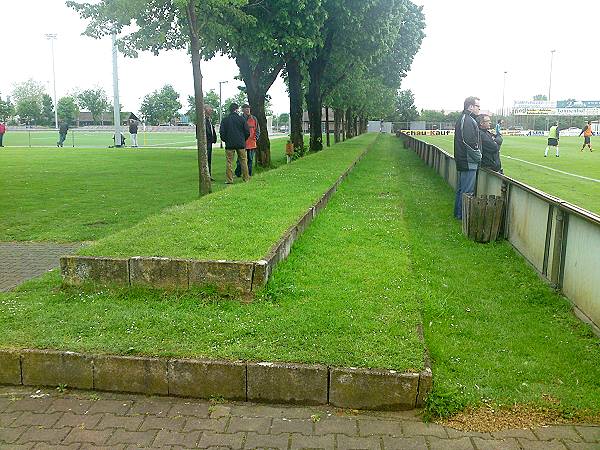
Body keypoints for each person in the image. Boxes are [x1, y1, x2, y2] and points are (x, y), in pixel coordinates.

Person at [453, 96, 482, 220]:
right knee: (467, 191)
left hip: (464, 160)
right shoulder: (468, 120)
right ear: (470, 106)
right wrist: (479, 156)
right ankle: (462, 216)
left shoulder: (464, 118)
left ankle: (458, 214)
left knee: (461, 189)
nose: (479, 109)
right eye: (477, 106)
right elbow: (469, 142)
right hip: (468, 161)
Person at [219, 103, 250, 184]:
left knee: (229, 162)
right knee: (243, 161)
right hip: (240, 143)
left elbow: (222, 132)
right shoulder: (242, 119)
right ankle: (246, 178)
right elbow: (247, 132)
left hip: (229, 144)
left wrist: (226, 140)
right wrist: (243, 139)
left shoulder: (225, 120)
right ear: (236, 109)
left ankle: (230, 180)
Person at [235, 104, 260, 177]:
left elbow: (257, 130)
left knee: (250, 159)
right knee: (240, 159)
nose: (248, 110)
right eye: (246, 109)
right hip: (242, 143)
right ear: (242, 110)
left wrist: (255, 138)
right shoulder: (239, 119)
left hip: (252, 142)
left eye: (248, 108)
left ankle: (248, 174)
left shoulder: (254, 119)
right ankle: (238, 173)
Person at [204, 105, 217, 180]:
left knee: (209, 158)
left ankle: (209, 175)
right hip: (206, 142)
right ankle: (207, 175)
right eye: (210, 109)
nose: (211, 111)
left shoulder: (209, 119)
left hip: (209, 142)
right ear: (205, 110)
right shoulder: (203, 120)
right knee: (206, 158)